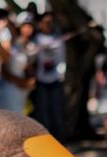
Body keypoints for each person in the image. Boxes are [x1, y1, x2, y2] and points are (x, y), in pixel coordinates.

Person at [30, 10, 65, 140]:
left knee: (57, 112)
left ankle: (60, 141)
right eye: (45, 22)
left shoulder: (58, 38)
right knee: (42, 113)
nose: (48, 25)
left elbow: (62, 58)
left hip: (56, 79)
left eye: (51, 22)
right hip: (40, 80)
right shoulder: (35, 39)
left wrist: (61, 74)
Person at [0, 10, 35, 114]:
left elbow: (27, 67)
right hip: (10, 88)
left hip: (22, 90)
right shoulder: (11, 45)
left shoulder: (31, 45)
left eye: (30, 26)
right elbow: (3, 69)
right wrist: (19, 82)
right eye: (25, 26)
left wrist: (30, 80)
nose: (28, 29)